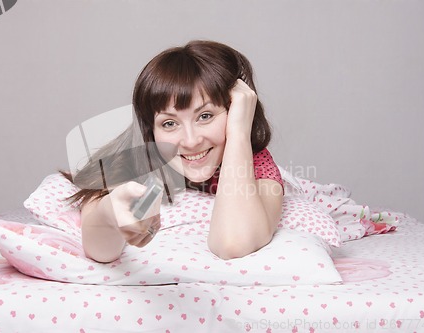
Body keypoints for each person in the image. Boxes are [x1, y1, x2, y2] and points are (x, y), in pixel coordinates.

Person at [66, 40, 284, 262]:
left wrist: (238, 133)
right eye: (169, 123)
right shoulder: (139, 157)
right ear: (150, 130)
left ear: (235, 111)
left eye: (205, 116)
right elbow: (99, 250)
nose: (190, 141)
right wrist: (110, 211)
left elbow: (233, 244)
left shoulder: (257, 166)